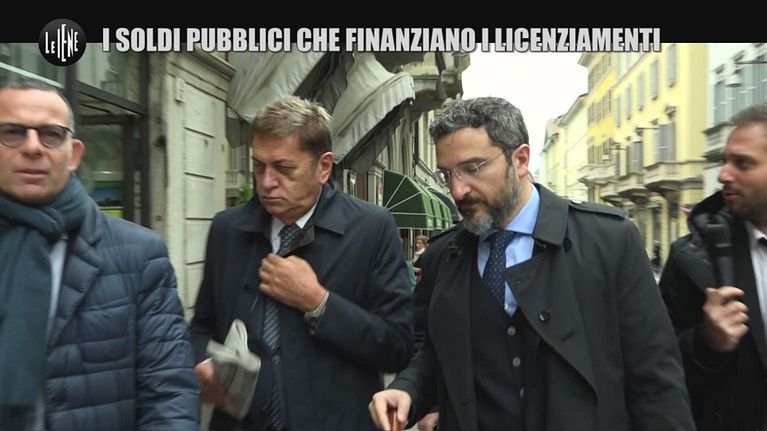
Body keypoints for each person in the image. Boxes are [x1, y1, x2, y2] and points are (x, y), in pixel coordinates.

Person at [369, 97, 695, 431]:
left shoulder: (609, 242)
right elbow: (435, 353)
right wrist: (407, 389)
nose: (457, 189)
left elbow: (656, 379)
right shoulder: (443, 257)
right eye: (446, 174)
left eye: (473, 168)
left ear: (520, 160)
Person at [190, 96, 413, 431]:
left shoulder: (371, 229)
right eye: (259, 166)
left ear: (323, 167)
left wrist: (319, 303)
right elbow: (200, 326)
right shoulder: (227, 229)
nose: (266, 182)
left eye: (283, 168)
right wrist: (203, 361)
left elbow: (398, 346)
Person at [0, 77, 200, 430]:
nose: (32, 147)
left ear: (74, 154)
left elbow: (169, 393)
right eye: (13, 132)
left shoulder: (140, 255)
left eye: (50, 134)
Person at [659, 103, 767, 431]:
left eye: (743, 163)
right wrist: (706, 343)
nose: (723, 175)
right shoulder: (691, 258)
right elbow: (655, 367)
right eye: (725, 161)